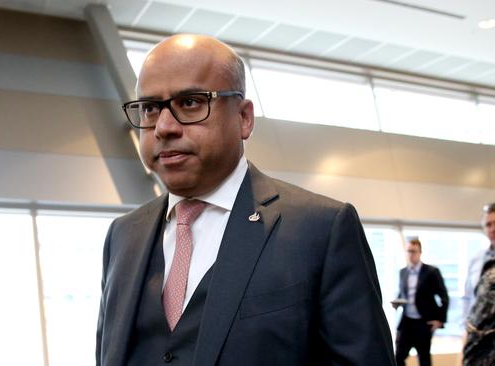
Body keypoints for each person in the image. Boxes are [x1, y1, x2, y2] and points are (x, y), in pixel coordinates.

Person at [95, 34, 395, 366]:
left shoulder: (321, 230)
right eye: (150, 108)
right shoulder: (123, 236)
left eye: (191, 102)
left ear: (244, 117)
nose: (164, 127)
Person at [392, 238, 449, 366]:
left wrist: (440, 320)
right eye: (408, 251)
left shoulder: (431, 272)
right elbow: (403, 294)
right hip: (407, 322)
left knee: (424, 359)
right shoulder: (403, 272)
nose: (411, 254)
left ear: (420, 252)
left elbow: (444, 297)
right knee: (397, 357)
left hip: (423, 322)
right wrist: (397, 302)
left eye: (413, 251)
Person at [463, 203, 495, 365]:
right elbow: (469, 297)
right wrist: (466, 330)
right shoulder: (477, 260)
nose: (492, 228)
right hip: (478, 336)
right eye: (488, 224)